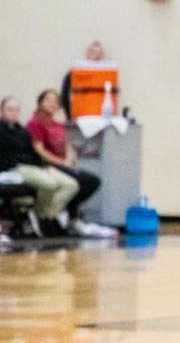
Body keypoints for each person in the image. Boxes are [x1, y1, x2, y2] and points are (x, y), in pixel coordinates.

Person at [27, 89, 115, 237]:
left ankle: (67, 214)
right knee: (79, 181)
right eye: (48, 100)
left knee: (93, 181)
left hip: (63, 163)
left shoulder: (57, 124)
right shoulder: (35, 123)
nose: (51, 103)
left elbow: (67, 144)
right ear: (40, 102)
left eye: (55, 101)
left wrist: (70, 159)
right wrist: (61, 162)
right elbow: (39, 150)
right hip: (47, 165)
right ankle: (69, 217)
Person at [1, 96, 79, 237]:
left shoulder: (23, 132)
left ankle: (46, 215)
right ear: (2, 111)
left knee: (71, 185)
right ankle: (39, 214)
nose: (13, 113)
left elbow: (33, 152)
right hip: (16, 167)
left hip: (35, 165)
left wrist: (42, 165)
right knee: (50, 184)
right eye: (9, 109)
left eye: (16, 110)